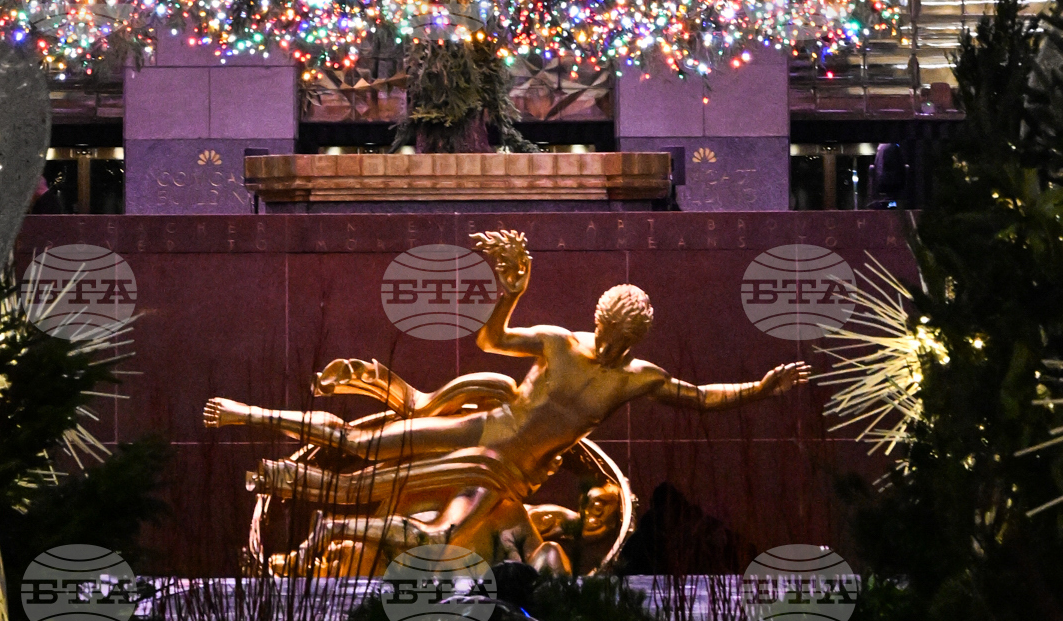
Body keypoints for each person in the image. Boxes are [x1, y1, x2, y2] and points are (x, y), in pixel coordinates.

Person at [205, 227, 806, 563]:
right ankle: (246, 414)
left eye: (632, 340)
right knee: (360, 442)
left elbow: (700, 398)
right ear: (599, 324)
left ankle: (301, 499)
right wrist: (510, 291)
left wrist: (759, 388)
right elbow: (491, 340)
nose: (621, 347)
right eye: (615, 335)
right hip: (483, 427)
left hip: (508, 473)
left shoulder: (637, 378)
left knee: (395, 503)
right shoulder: (559, 343)